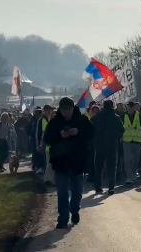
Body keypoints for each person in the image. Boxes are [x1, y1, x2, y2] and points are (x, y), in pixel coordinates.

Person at [43, 97, 93, 229]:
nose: (66, 112)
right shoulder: (54, 123)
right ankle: (63, 218)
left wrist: (78, 132)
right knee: (62, 192)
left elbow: (91, 134)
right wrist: (59, 135)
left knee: (77, 191)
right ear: (60, 109)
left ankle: (74, 209)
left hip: (77, 161)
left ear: (73, 108)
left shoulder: (82, 120)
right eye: (63, 109)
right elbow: (47, 138)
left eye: (68, 109)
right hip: (61, 162)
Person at [91, 100, 125, 195]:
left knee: (98, 167)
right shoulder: (116, 118)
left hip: (99, 144)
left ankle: (98, 186)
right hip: (112, 145)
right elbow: (122, 130)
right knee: (112, 167)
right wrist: (117, 138)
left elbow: (91, 129)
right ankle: (111, 187)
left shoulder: (97, 117)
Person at [122, 101, 141, 185]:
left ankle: (133, 174)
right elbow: (121, 128)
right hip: (126, 140)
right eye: (129, 106)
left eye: (132, 106)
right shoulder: (123, 115)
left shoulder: (138, 115)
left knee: (136, 159)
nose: (130, 107)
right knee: (128, 160)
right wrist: (120, 137)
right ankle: (128, 177)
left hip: (137, 141)